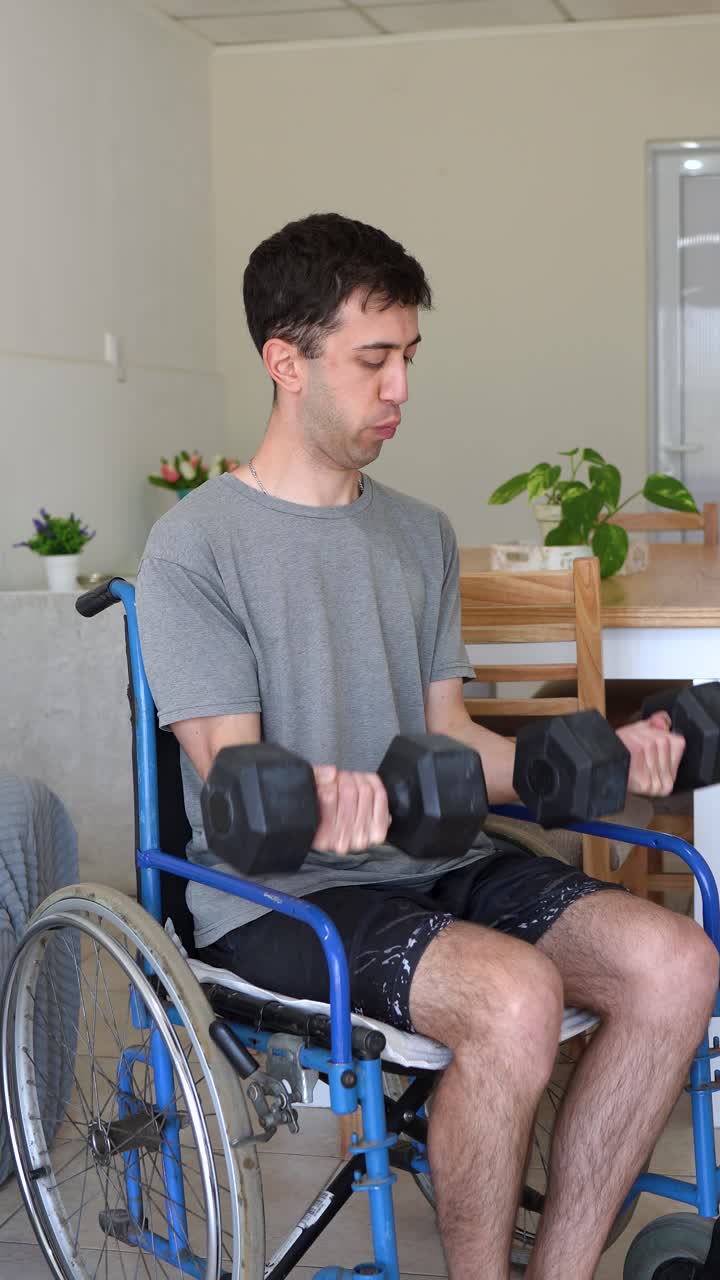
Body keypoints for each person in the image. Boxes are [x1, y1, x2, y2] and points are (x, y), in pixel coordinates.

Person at [136, 213, 719, 1280]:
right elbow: (230, 767)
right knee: (515, 994)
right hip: (279, 894)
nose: (400, 386)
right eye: (373, 360)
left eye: (408, 357)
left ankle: (564, 1268)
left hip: (442, 856)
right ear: (285, 360)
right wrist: (319, 792)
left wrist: (594, 752)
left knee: (677, 961)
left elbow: (450, 738)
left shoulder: (420, 532)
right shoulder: (195, 546)